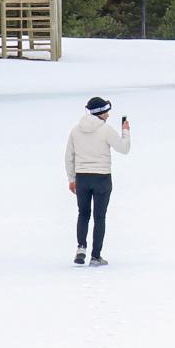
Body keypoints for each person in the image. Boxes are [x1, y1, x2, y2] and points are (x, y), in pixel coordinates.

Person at [65, 96, 130, 266]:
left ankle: (81, 247)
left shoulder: (75, 130)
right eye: (106, 112)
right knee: (99, 217)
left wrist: (72, 179)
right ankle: (95, 256)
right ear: (101, 112)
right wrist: (125, 131)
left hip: (82, 177)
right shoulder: (106, 130)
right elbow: (124, 149)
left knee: (83, 213)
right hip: (102, 177)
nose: (108, 115)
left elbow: (69, 157)